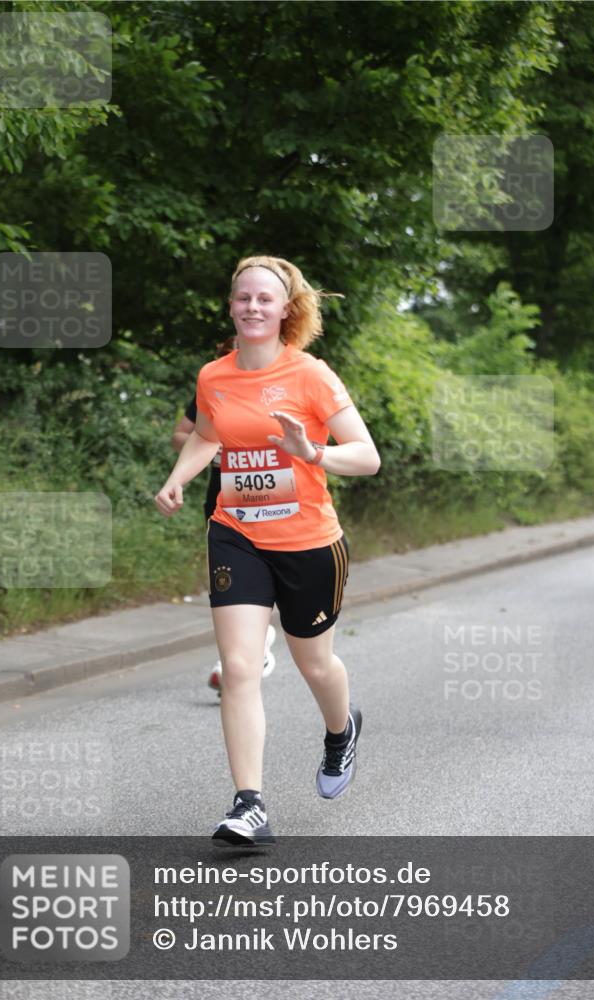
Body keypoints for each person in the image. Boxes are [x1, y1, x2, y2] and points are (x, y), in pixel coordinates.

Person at [155, 255, 380, 845]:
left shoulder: (312, 375)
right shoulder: (214, 376)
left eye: (264, 298)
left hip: (309, 542)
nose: (252, 307)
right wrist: (179, 476)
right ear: (231, 306)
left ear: (286, 309)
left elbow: (367, 455)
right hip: (237, 533)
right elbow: (206, 434)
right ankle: (248, 804)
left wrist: (315, 454)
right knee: (237, 669)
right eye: (243, 298)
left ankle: (341, 730)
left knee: (314, 664)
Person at [171, 345, 277, 694]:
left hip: (273, 503)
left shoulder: (281, 387)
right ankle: (238, 659)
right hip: (221, 504)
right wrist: (212, 448)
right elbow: (181, 436)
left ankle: (256, 645)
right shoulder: (213, 386)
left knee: (264, 581)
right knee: (229, 587)